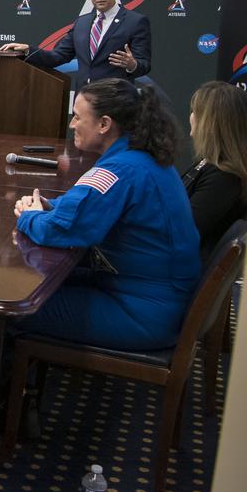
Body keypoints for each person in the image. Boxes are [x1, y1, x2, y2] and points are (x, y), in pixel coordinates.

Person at [13, 79, 200, 350]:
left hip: (142, 314)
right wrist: (47, 205)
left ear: (104, 124)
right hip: (151, 296)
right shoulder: (139, 157)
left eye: (78, 117)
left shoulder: (119, 170)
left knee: (14, 308)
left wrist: (29, 216)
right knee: (39, 285)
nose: (72, 125)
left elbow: (63, 229)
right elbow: (83, 207)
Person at [0, 0, 151, 82]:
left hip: (116, 102)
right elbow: (58, 56)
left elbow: (144, 65)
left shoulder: (135, 22)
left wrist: (132, 65)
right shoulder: (82, 23)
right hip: (84, 104)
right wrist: (27, 49)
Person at [183, 81, 247, 263]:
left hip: (178, 275)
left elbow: (182, 231)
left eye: (195, 111)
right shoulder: (207, 165)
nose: (191, 117)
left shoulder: (224, 177)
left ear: (209, 122)